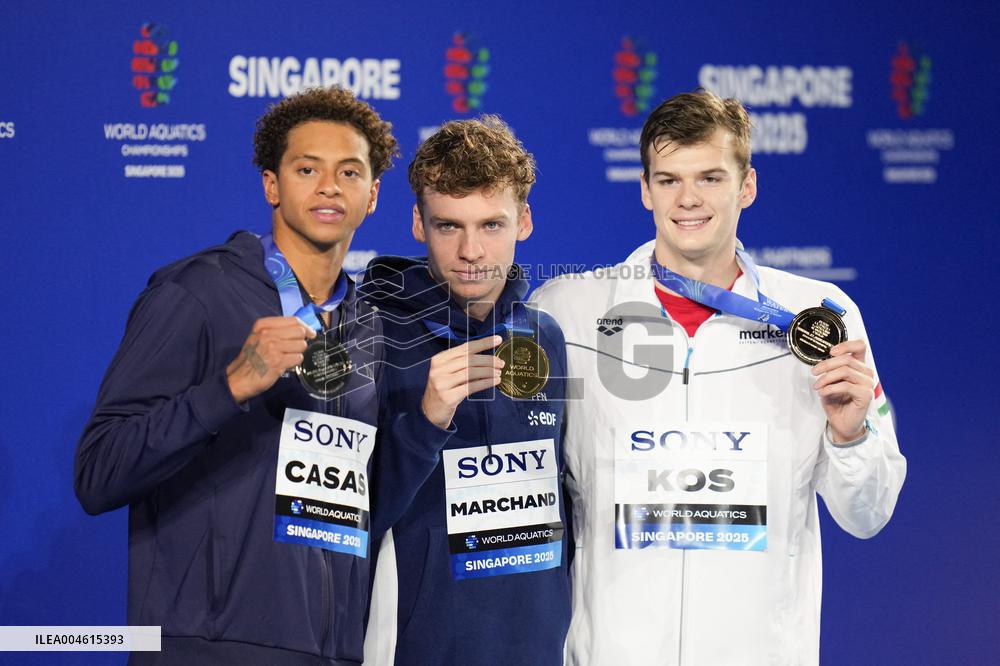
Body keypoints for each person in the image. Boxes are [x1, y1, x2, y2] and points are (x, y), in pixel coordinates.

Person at [529, 90, 906, 665]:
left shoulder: (821, 318)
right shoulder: (570, 311)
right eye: (669, 179)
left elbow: (868, 515)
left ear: (746, 186)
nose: (688, 200)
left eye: (709, 178)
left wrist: (852, 437)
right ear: (644, 189)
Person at [75, 86, 398, 664]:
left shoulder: (369, 324)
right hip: (209, 648)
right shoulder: (195, 293)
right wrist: (229, 388)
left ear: (372, 195)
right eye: (307, 168)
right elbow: (99, 472)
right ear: (272, 185)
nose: (329, 186)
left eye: (350, 172)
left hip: (333, 650)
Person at [361, 116, 571, 665]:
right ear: (417, 223)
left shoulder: (544, 335)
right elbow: (341, 523)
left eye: (492, 225)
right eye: (449, 225)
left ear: (524, 221)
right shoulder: (369, 332)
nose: (472, 250)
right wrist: (425, 421)